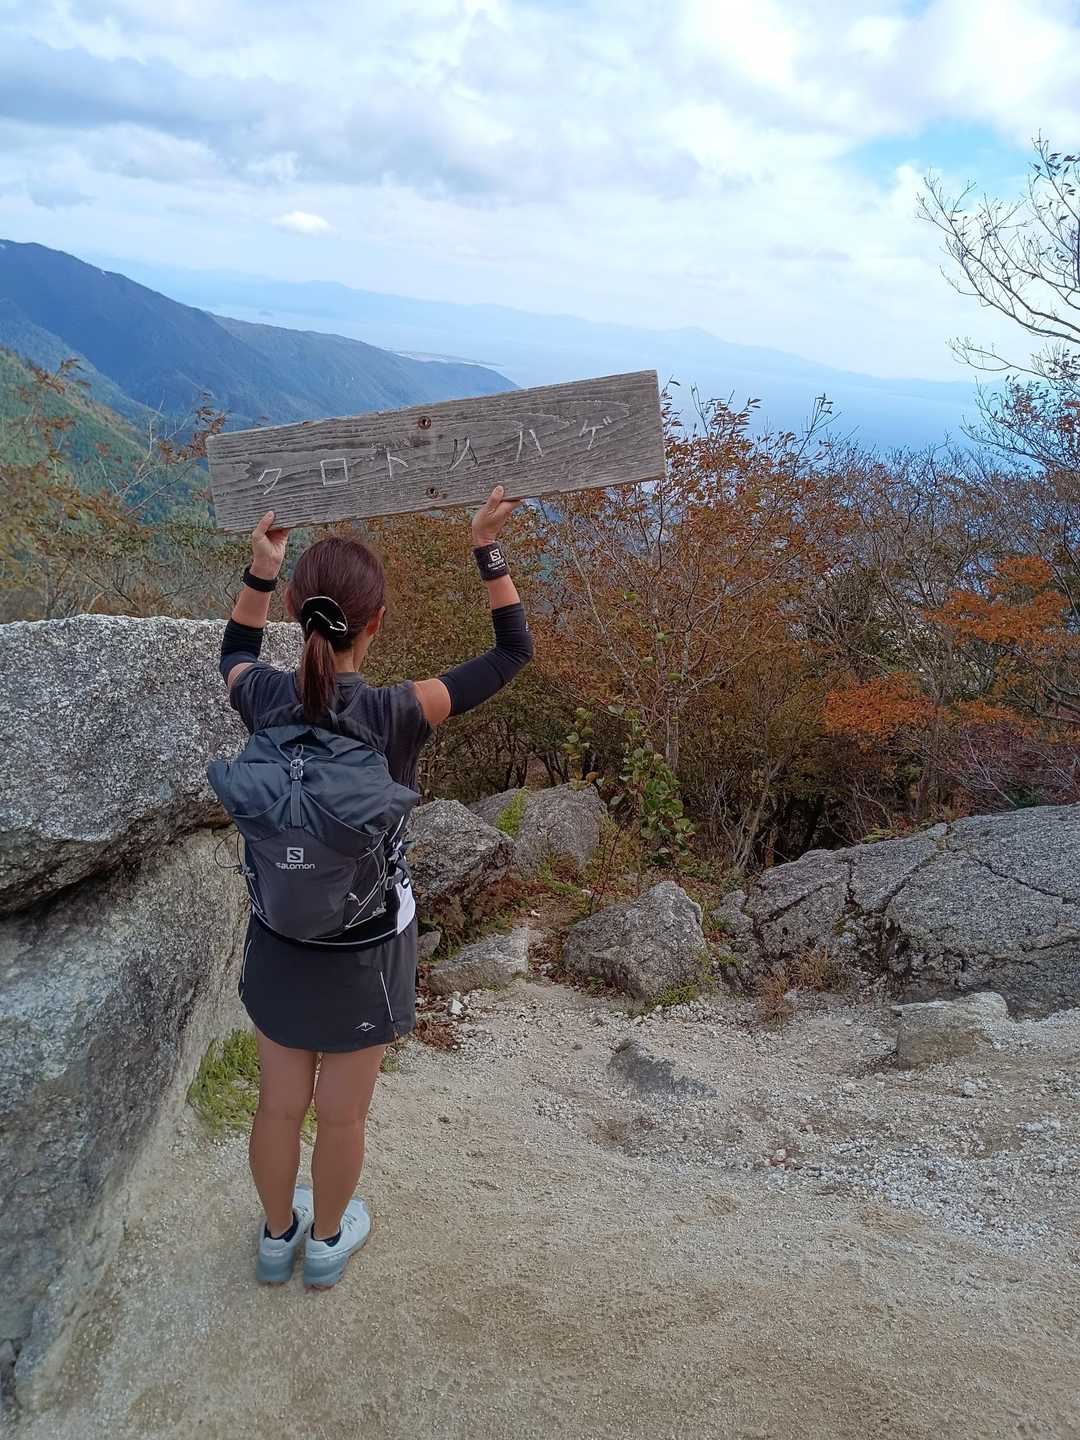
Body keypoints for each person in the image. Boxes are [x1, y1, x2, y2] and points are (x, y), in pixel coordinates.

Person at [218, 485, 533, 1290]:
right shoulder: (401, 711)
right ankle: (326, 1244)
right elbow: (511, 653)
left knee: (277, 1105)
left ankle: (276, 1237)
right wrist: (486, 546)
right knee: (343, 1114)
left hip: (279, 932)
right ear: (376, 623)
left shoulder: (264, 698)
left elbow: (235, 652)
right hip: (366, 946)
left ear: (297, 613)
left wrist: (260, 569)